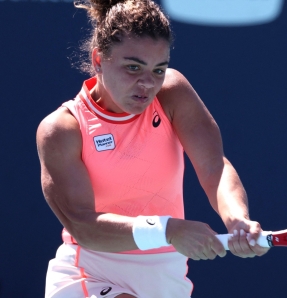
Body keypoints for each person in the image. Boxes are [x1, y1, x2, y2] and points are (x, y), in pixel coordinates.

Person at [37, 0, 268, 297]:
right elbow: (84, 226)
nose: (147, 83)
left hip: (166, 278)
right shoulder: (62, 129)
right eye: (133, 67)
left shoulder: (172, 93)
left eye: (159, 70)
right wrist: (167, 229)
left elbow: (215, 167)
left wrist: (237, 218)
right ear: (98, 60)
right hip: (89, 273)